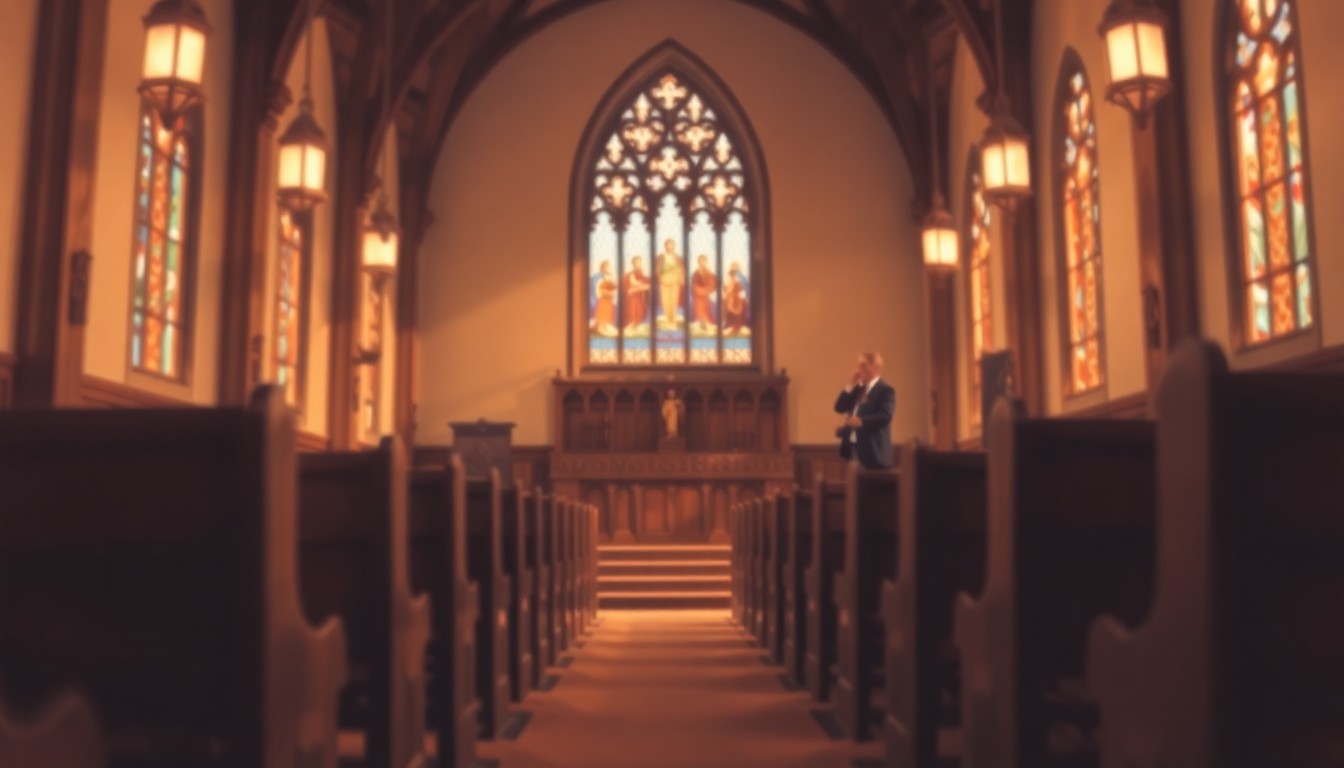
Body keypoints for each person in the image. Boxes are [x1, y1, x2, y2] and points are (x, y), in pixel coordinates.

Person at [833, 351, 895, 469]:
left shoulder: (885, 390)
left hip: (873, 452)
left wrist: (861, 421)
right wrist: (851, 384)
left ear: (876, 367)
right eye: (858, 365)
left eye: (863, 365)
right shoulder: (858, 389)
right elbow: (839, 408)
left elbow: (886, 416)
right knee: (855, 486)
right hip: (853, 449)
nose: (859, 370)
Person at [621, 255, 651, 332]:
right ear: (633, 264)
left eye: (640, 262)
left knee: (639, 316)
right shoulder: (629, 274)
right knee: (633, 315)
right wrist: (641, 287)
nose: (639, 264)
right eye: (637, 262)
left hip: (640, 298)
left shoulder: (642, 274)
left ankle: (634, 329)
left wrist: (641, 287)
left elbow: (647, 285)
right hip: (632, 298)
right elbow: (629, 288)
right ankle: (628, 329)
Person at [690, 254, 717, 332]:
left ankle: (707, 326)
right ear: (698, 262)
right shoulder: (695, 273)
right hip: (698, 297)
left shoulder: (709, 273)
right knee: (699, 311)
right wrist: (699, 291)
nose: (702, 263)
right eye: (701, 261)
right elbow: (693, 285)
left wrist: (707, 290)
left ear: (706, 262)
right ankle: (700, 326)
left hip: (705, 296)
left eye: (704, 261)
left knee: (706, 311)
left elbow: (713, 284)